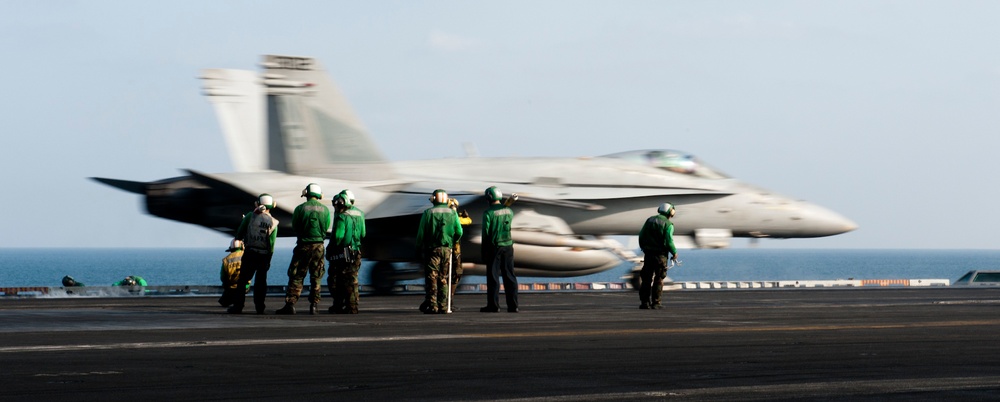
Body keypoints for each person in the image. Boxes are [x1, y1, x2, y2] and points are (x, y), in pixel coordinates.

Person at [277, 183, 331, 315]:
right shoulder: (325, 210)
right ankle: (314, 305)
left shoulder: (300, 209)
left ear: (306, 194)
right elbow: (326, 227)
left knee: (297, 275)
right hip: (319, 246)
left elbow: (295, 226)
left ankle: (290, 304)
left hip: (303, 245)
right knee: (316, 276)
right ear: (319, 195)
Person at [415, 189, 463, 314]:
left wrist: (418, 246)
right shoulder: (453, 213)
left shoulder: (428, 213)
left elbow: (421, 233)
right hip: (447, 249)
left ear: (434, 199)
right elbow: (459, 232)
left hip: (432, 250)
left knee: (432, 277)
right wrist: (452, 242)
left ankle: (432, 305)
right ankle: (443, 305)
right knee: (443, 277)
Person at [230, 194, 279, 314]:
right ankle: (260, 308)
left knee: (243, 281)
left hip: (250, 253)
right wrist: (268, 259)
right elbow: (271, 245)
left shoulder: (250, 217)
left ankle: (238, 306)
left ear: (257, 203)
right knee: (261, 283)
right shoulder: (274, 223)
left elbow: (239, 235)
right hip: (264, 255)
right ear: (272, 205)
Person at [480, 186, 519, 313]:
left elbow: (486, 234)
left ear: (488, 198)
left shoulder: (488, 213)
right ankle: (513, 306)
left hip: (494, 247)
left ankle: (493, 305)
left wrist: (484, 251)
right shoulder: (509, 211)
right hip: (508, 246)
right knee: (510, 276)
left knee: (493, 277)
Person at [327, 190, 366, 314]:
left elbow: (338, 236)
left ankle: (339, 304)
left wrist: (331, 249)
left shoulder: (342, 216)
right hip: (356, 250)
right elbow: (363, 233)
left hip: (342, 252)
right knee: (352, 279)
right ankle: (352, 305)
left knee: (336, 279)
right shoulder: (360, 214)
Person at [638, 202, 679, 309]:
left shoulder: (649, 220)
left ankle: (644, 303)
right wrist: (674, 252)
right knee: (659, 279)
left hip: (648, 254)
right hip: (660, 256)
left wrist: (644, 248)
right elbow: (669, 241)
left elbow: (641, 236)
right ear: (671, 212)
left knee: (646, 279)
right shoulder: (668, 224)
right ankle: (656, 303)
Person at [448, 197, 472, 301]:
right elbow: (465, 223)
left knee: (456, 274)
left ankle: (449, 300)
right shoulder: (450, 217)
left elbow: (468, 221)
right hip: (450, 250)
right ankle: (447, 301)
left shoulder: (455, 217)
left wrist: (464, 216)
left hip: (453, 251)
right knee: (450, 275)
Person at [218, 239, 247, 307]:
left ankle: (233, 299)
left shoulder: (226, 260)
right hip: (246, 286)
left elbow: (223, 277)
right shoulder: (246, 256)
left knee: (224, 302)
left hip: (231, 286)